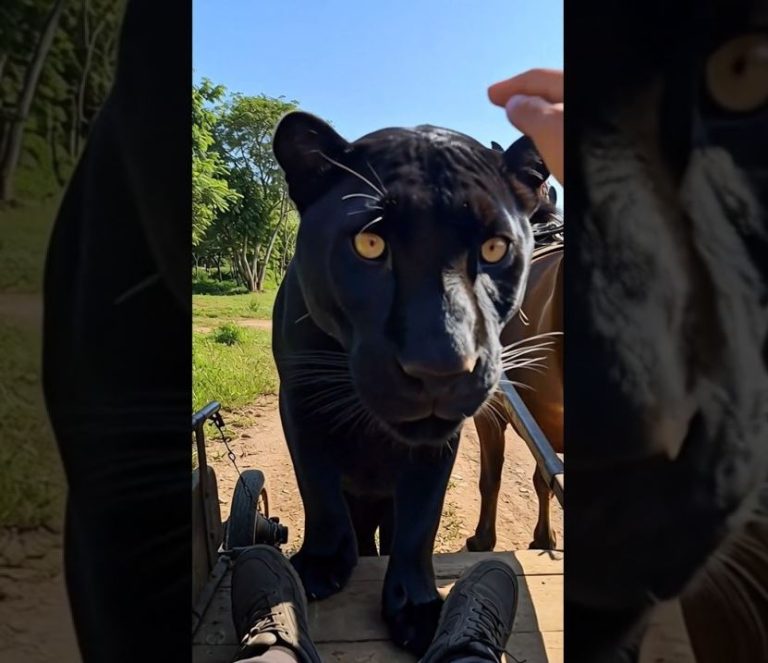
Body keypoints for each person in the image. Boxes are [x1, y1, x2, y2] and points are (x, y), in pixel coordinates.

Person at [228, 69, 566, 663]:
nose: (448, 352)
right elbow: (303, 410)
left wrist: (412, 562)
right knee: (330, 467)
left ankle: (297, 639)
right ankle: (444, 634)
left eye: (492, 251)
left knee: (432, 450)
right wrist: (328, 530)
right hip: (335, 448)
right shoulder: (304, 304)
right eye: (371, 246)